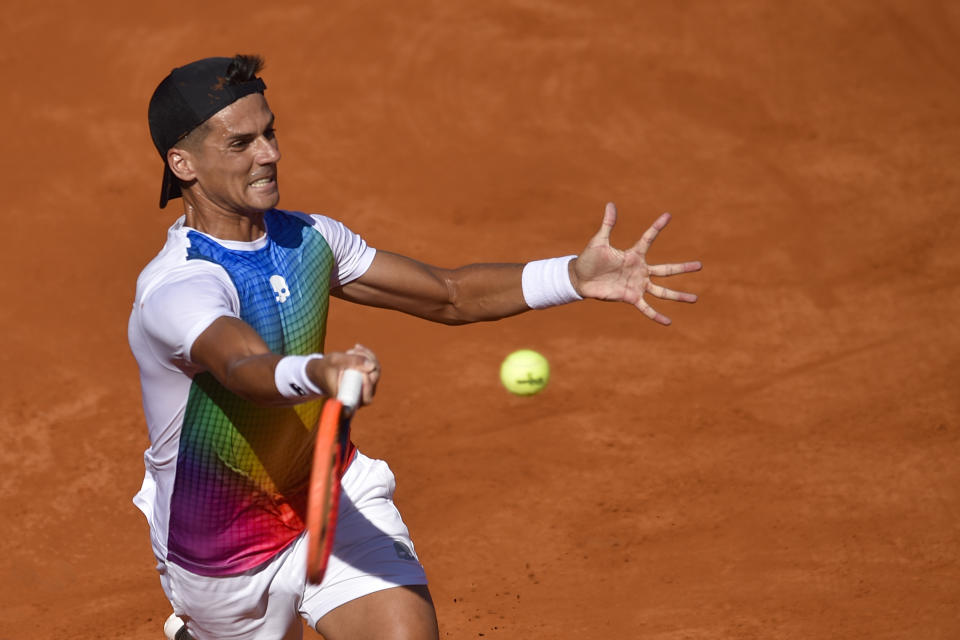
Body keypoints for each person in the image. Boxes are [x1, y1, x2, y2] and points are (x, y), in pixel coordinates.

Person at [129, 54, 702, 640]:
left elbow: (447, 295)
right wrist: (319, 372)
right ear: (183, 163)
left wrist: (573, 279)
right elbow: (241, 364)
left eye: (270, 132)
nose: (270, 154)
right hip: (225, 550)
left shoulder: (309, 239)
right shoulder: (180, 286)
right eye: (241, 143)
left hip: (330, 494)